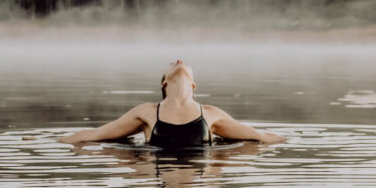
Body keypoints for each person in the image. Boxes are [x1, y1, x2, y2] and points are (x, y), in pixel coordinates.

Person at [58, 60, 285, 147]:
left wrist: (290, 140)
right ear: (165, 81)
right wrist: (52, 141)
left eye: (183, 62)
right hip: (158, 170)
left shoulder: (210, 113)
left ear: (194, 84)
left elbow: (260, 137)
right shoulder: (147, 112)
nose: (178, 60)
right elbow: (96, 135)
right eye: (172, 63)